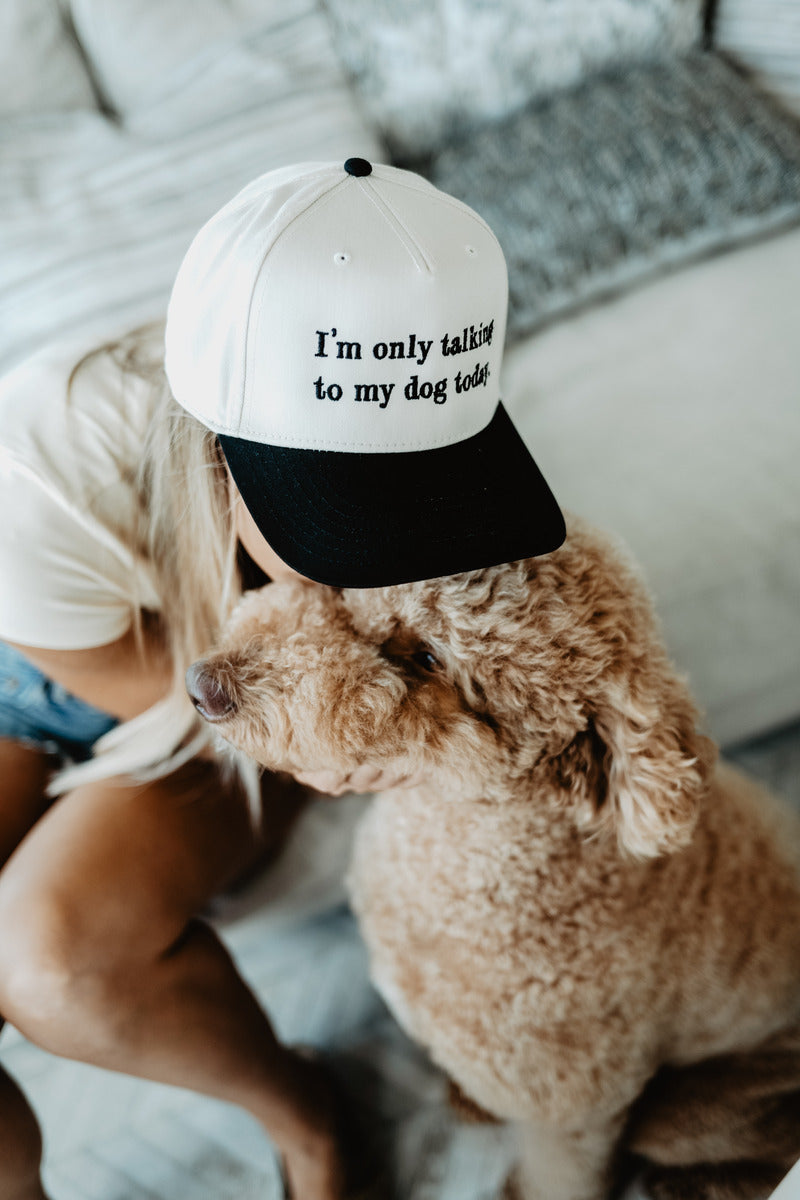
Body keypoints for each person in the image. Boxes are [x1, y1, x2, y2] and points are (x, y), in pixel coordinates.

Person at [0, 158, 565, 1200]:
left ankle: (306, 1121)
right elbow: (162, 705)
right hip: (63, 673)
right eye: (349, 516)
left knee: (51, 962)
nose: (394, 561)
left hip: (165, 669)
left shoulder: (391, 354)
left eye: (435, 492)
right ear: (215, 455)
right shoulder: (35, 475)